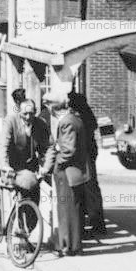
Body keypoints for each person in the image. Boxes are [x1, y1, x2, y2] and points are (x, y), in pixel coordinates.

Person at [42, 91, 90, 256]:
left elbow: (68, 150)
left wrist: (57, 163)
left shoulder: (66, 122)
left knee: (65, 211)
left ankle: (66, 245)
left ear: (52, 106)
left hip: (67, 173)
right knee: (73, 211)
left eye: (47, 105)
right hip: (76, 173)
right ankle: (73, 245)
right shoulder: (75, 119)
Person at [0, 99, 53, 229]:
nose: (28, 117)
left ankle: (25, 232)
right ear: (19, 112)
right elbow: (2, 145)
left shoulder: (40, 124)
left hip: (31, 169)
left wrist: (46, 168)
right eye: (25, 114)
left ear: (36, 112)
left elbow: (49, 147)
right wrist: (5, 165)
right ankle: (17, 232)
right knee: (20, 199)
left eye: (32, 113)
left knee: (34, 205)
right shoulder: (11, 121)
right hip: (12, 167)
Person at [68, 91, 106, 237]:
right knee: (92, 189)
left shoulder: (76, 118)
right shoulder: (87, 115)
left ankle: (85, 225)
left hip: (82, 155)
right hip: (89, 152)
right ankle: (97, 223)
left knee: (83, 190)